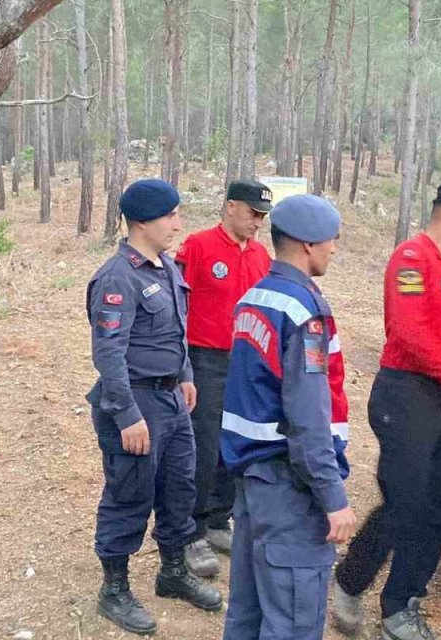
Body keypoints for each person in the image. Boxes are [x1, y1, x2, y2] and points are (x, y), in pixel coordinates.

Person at [332, 183, 441, 640]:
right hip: (404, 396)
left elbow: (434, 324)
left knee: (435, 511)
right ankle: (349, 583)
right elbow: (407, 331)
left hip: (433, 399)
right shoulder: (412, 257)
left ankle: (401, 605)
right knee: (404, 504)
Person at [85, 178, 222, 635]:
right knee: (130, 495)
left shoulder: (164, 266)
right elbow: (108, 354)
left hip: (170, 400)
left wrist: (184, 375)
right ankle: (115, 589)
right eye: (171, 216)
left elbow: (174, 331)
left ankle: (172, 571)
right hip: (136, 401)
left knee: (178, 489)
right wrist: (127, 415)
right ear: (142, 220)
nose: (178, 225)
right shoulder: (117, 276)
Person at [220, 194, 356, 640]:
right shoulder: (303, 312)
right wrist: (332, 496)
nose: (335, 249)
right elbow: (308, 417)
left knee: (247, 613)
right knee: (293, 622)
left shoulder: (254, 298)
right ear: (307, 245)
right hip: (289, 490)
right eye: (332, 240)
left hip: (252, 482)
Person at [174, 179, 275, 578]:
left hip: (247, 362)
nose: (258, 222)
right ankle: (191, 530)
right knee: (203, 442)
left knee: (235, 441)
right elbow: (177, 307)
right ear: (231, 207)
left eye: (263, 216)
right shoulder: (198, 246)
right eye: (252, 213)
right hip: (205, 359)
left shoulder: (261, 256)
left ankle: (219, 518)